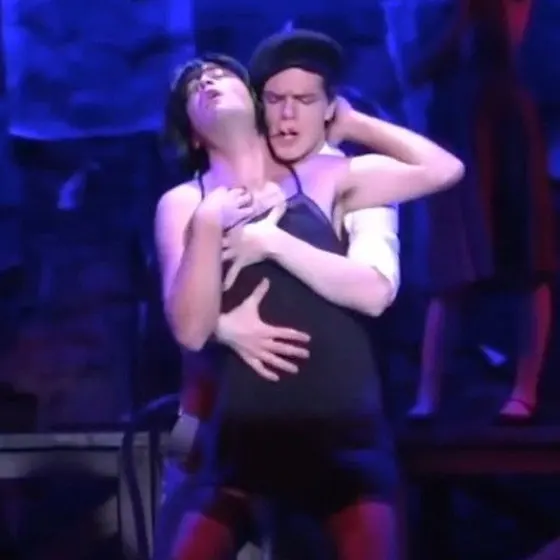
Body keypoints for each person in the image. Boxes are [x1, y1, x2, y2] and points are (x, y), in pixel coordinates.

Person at [155, 30, 463, 560]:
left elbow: (443, 170)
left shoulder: (322, 175)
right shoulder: (185, 202)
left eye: (221, 74)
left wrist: (354, 124)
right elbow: (186, 328)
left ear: (254, 106)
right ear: (195, 136)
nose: (206, 81)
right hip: (241, 444)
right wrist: (210, 229)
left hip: (344, 436)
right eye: (193, 87)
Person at [406, 0, 555, 423]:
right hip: (456, 126)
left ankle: (524, 390)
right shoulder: (436, 10)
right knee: (450, 264)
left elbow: (526, 53)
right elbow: (418, 67)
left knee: (529, 259)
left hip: (514, 122)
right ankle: (428, 395)